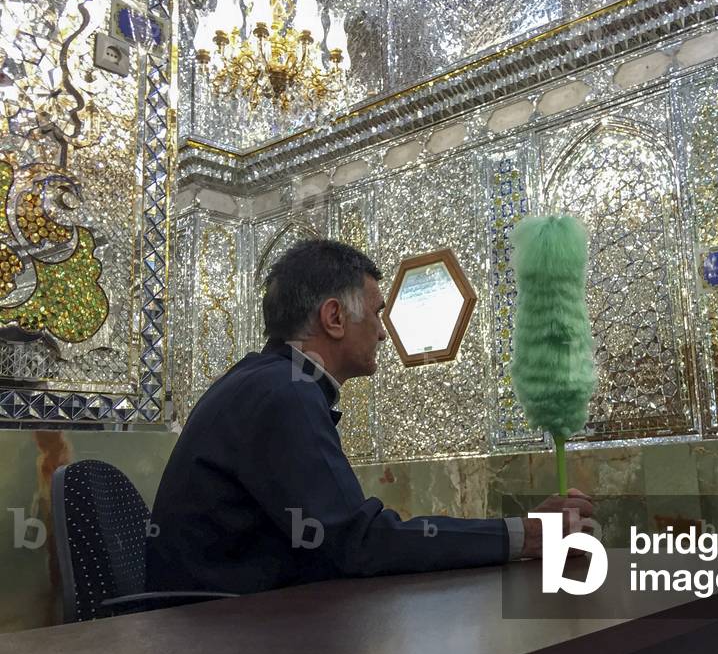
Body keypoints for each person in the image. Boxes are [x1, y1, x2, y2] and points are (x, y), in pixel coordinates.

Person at [146, 240, 595, 594]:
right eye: (377, 313)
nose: (383, 332)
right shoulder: (285, 391)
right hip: (214, 638)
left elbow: (336, 537)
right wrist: (525, 535)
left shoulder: (270, 381)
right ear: (335, 317)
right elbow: (358, 543)